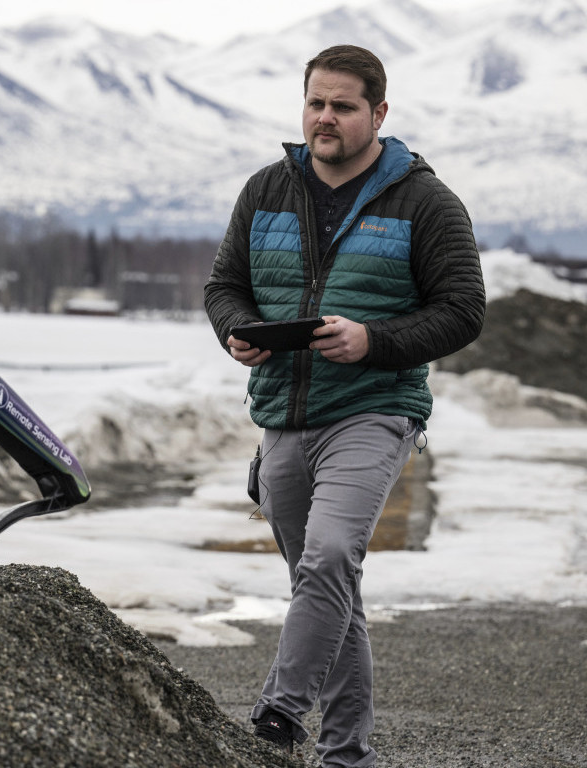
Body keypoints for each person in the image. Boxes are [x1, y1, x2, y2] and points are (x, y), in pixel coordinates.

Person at [203, 44, 485, 767]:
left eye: (343, 106)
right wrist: (235, 328)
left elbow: (462, 310)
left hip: (375, 407)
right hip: (283, 414)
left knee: (328, 558)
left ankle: (278, 713)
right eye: (315, 103)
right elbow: (224, 284)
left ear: (378, 112)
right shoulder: (268, 188)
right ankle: (346, 756)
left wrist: (374, 341)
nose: (325, 118)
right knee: (331, 592)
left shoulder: (425, 201)